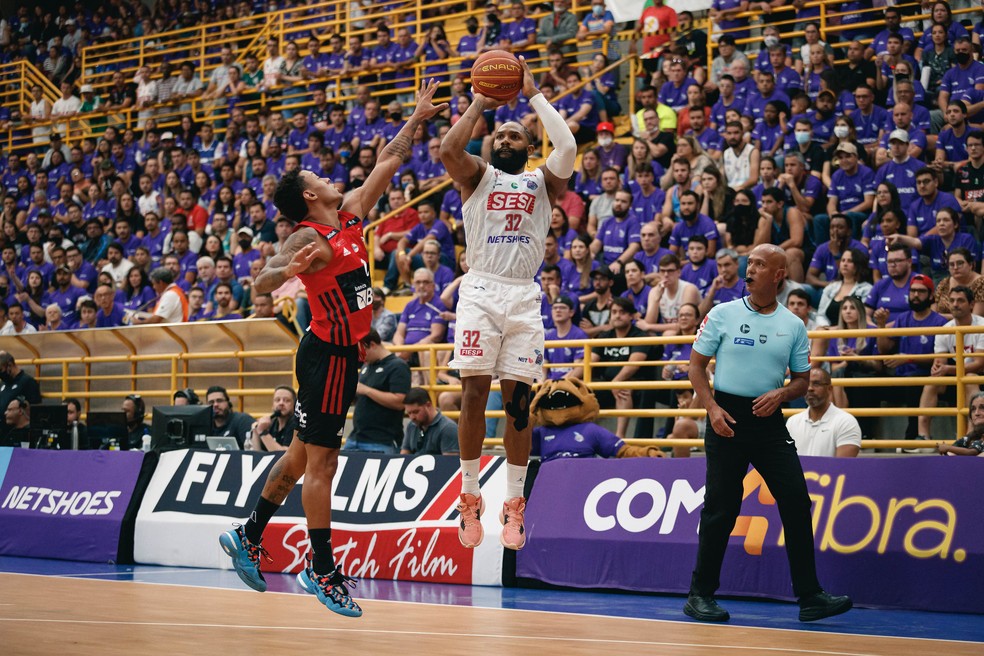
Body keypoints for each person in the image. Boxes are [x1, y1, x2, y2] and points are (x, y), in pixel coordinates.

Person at [219, 80, 445, 618]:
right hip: (325, 358)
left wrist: (415, 119)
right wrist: (284, 271)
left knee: (299, 460)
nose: (326, 175)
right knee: (323, 465)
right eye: (317, 176)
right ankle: (321, 568)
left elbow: (388, 162)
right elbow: (261, 283)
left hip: (343, 357)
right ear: (307, 197)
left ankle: (248, 533)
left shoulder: (347, 212)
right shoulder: (306, 239)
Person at [440, 57, 575, 551]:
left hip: (523, 295)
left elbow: (568, 146)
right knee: (475, 391)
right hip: (480, 287)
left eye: (515, 136)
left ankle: (514, 504)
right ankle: (470, 495)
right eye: (500, 135)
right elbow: (447, 147)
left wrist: (535, 95)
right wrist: (480, 98)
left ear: (529, 147)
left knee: (520, 404)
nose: (505, 139)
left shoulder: (545, 182)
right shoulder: (476, 176)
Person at [684, 243, 852, 624]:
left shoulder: (793, 325)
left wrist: (781, 393)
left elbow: (802, 380)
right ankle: (700, 595)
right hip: (726, 415)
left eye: (760, 264)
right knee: (721, 510)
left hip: (769, 420)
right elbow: (695, 367)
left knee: (795, 500)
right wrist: (712, 409)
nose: (750, 269)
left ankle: (810, 596)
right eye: (750, 263)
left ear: (778, 275)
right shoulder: (722, 314)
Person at [346, 329, 411, 453]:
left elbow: (400, 402)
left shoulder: (398, 366)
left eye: (361, 351)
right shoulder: (367, 366)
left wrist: (366, 390)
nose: (360, 357)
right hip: (356, 438)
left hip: (382, 441)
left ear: (372, 345)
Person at [785, 368, 862, 457]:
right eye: (807, 384)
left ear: (829, 389)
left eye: (816, 384)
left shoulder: (846, 422)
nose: (810, 388)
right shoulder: (792, 422)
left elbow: (842, 467)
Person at [400, 387, 460, 455]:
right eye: (409, 413)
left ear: (428, 405)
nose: (412, 417)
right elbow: (404, 456)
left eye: (415, 412)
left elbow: (449, 462)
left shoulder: (448, 428)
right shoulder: (412, 425)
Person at [0, 352, 42, 442]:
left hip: (17, 436)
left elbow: (36, 411)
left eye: (0, 370)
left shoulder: (28, 382)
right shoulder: (3, 384)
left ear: (10, 365)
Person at [244, 386, 298, 452]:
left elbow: (283, 454)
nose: (281, 403)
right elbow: (257, 453)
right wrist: (256, 431)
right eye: (277, 400)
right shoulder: (271, 423)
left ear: (294, 405)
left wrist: (263, 432)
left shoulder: (296, 424)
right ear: (272, 405)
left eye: (287, 400)